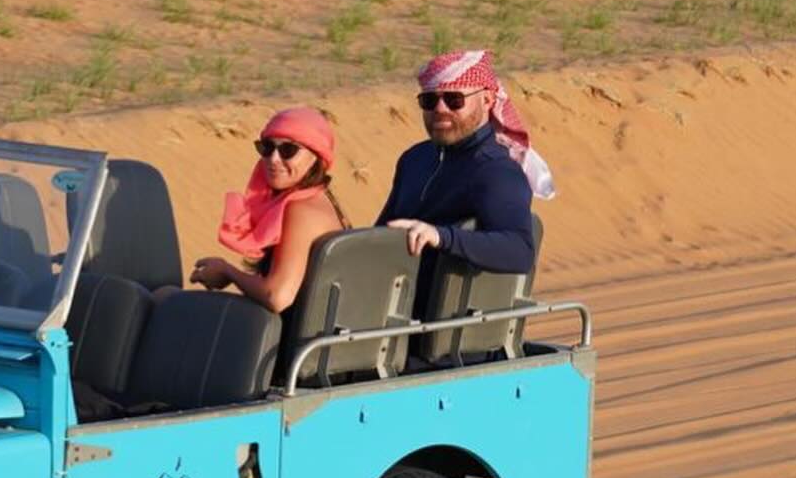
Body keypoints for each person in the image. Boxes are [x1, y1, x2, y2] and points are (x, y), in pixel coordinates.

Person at [376, 49, 553, 296]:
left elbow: (519, 252)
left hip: (424, 322)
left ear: (488, 100)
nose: (440, 108)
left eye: (454, 99)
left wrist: (440, 236)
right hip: (384, 299)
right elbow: (382, 233)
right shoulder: (414, 159)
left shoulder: (495, 171)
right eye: (429, 101)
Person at [190, 106, 348, 314]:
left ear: (316, 157)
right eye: (267, 147)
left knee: (165, 299)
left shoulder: (301, 209)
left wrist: (228, 272)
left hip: (282, 340)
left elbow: (278, 296)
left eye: (288, 150)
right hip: (279, 331)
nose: (274, 159)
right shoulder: (316, 198)